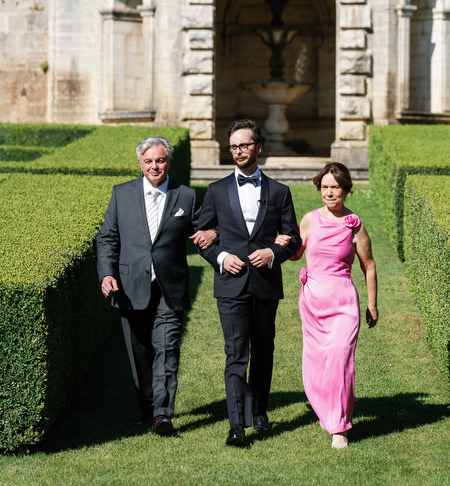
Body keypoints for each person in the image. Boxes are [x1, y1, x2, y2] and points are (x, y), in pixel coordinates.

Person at [97, 136, 215, 436]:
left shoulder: (185, 196)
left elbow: (202, 230)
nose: (154, 166)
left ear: (169, 163)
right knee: (140, 354)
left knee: (167, 348)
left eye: (160, 160)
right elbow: (108, 238)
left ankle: (163, 414)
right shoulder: (121, 194)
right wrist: (106, 274)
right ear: (140, 164)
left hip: (169, 288)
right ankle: (147, 407)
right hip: (128, 286)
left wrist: (213, 234)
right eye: (149, 161)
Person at [197, 119, 301, 447]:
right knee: (235, 353)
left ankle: (260, 411)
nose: (239, 151)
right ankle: (236, 425)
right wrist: (220, 258)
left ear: (258, 147)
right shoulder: (215, 191)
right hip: (230, 285)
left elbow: (294, 238)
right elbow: (201, 238)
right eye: (234, 147)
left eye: (245, 145)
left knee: (264, 349)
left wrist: (272, 252)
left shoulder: (280, 192)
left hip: (266, 283)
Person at [276, 162, 378, 449]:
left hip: (344, 301)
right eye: (325, 187)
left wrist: (372, 304)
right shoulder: (309, 220)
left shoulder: (354, 224)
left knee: (340, 358)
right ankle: (329, 408)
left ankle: (339, 427)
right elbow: (296, 255)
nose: (329, 193)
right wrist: (283, 243)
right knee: (317, 363)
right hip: (313, 302)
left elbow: (368, 265)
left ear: (345, 189)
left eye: (335, 187)